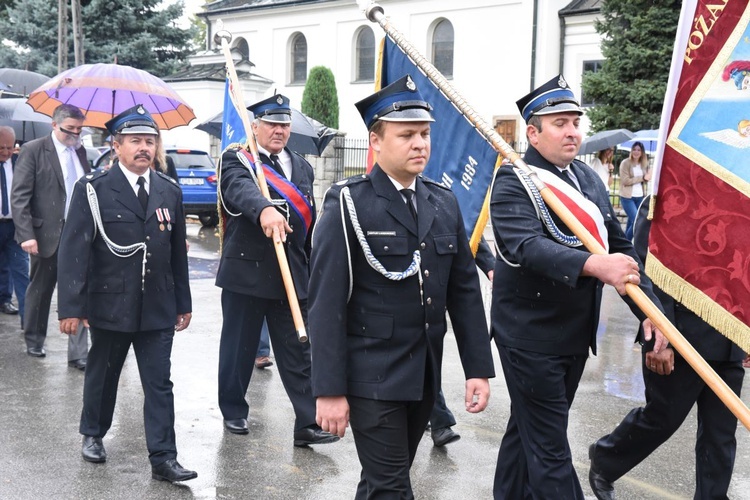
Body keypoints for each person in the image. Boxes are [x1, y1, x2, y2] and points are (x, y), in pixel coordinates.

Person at [309, 75, 495, 498]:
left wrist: (478, 368)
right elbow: (325, 305)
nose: (420, 144)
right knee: (393, 488)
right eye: (406, 135)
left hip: (422, 376)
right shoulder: (348, 204)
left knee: (380, 485)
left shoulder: (442, 200)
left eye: (425, 134)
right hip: (370, 377)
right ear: (375, 141)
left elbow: (463, 292)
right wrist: (329, 390)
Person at [489, 75, 666, 499]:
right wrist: (593, 264)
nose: (572, 131)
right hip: (529, 337)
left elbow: (622, 252)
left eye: (575, 122)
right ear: (533, 132)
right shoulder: (514, 180)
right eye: (559, 123)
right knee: (550, 450)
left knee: (527, 432)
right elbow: (527, 246)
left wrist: (652, 314)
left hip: (571, 336)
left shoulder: (587, 180)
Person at [57, 105, 196, 483]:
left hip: (157, 305)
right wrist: (71, 306)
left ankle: (164, 458)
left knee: (159, 382)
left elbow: (176, 254)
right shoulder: (93, 189)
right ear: (116, 145)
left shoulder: (169, 190)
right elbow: (74, 252)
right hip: (110, 303)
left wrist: (183, 302)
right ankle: (93, 434)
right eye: (135, 141)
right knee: (103, 374)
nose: (144, 148)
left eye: (150, 141)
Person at [588, 195, 746, 500]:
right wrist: (661, 337)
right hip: (680, 335)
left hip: (728, 337)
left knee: (721, 433)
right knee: (663, 418)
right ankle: (605, 460)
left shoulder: (738, 190)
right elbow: (647, 269)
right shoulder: (669, 189)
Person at [215, 93, 338, 447]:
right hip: (247, 273)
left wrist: (313, 265)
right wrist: (264, 209)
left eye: (284, 124)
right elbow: (238, 190)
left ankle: (308, 422)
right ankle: (234, 409)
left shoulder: (302, 165)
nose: (278, 130)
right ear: (255, 126)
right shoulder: (238, 159)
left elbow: (308, 219)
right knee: (239, 348)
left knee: (299, 349)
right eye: (271, 123)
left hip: (291, 272)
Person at [11, 104, 89, 368]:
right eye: (70, 129)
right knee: (41, 290)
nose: (76, 134)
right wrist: (26, 235)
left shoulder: (81, 151)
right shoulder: (34, 150)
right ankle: (34, 339)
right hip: (46, 234)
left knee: (80, 290)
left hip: (79, 233)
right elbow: (20, 196)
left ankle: (79, 354)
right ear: (55, 125)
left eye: (79, 129)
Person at [429, 237, 495, 448]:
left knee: (428, 360)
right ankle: (438, 420)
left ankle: (437, 420)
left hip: (434, 293)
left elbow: (466, 229)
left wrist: (490, 265)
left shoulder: (446, 203)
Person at [0, 126, 29, 321]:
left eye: (9, 147)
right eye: (1, 147)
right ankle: (3, 298)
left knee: (20, 271)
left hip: (15, 225)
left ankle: (29, 322)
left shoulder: (20, 163)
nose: (5, 152)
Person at [618, 141, 650, 240]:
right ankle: (626, 246)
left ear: (642, 152)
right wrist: (643, 177)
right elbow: (625, 181)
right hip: (627, 197)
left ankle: (625, 241)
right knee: (637, 221)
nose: (636, 152)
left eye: (639, 150)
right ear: (631, 151)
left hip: (639, 197)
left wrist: (648, 176)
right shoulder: (625, 163)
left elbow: (646, 179)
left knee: (631, 222)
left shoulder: (644, 164)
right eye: (634, 149)